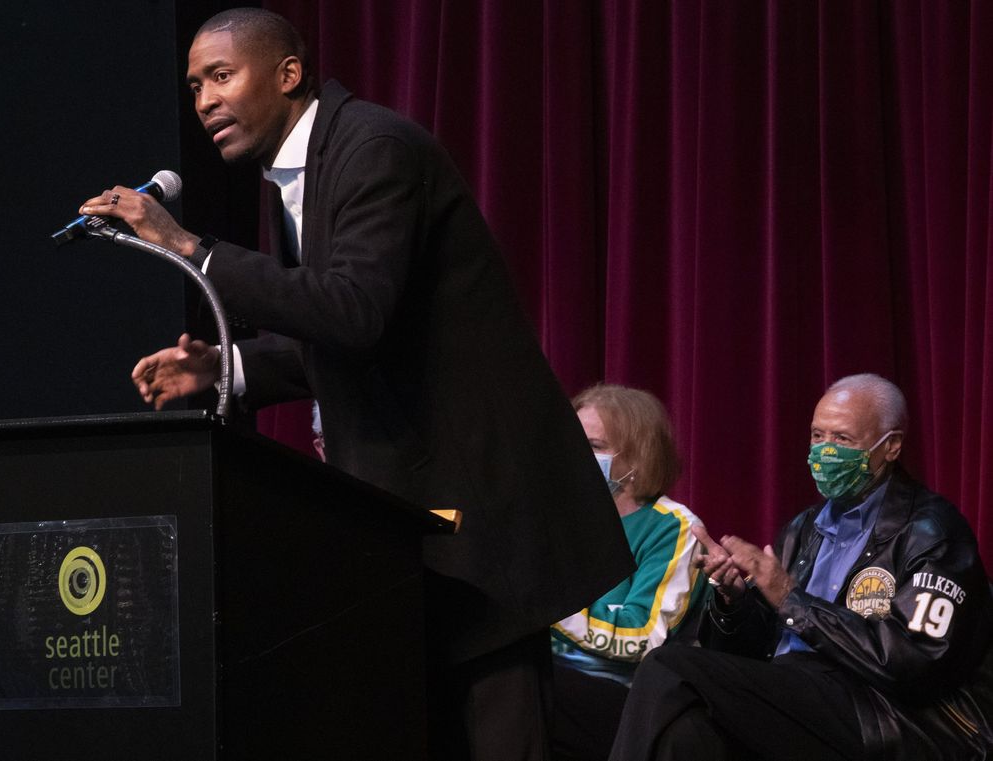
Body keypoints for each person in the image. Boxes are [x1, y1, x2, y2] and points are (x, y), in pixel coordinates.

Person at [77, 8, 634, 759]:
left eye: (220, 75)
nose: (204, 100)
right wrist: (228, 367)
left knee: (503, 731)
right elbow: (345, 333)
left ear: (288, 73)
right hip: (416, 509)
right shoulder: (303, 170)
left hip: (482, 507)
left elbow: (355, 311)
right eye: (194, 86)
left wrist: (187, 246)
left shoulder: (374, 147)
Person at [608, 373, 993, 760]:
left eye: (842, 439)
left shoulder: (931, 532)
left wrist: (790, 598)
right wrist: (734, 603)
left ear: (890, 446)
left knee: (667, 665)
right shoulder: (805, 528)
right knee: (687, 731)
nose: (826, 451)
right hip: (799, 692)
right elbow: (750, 653)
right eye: (818, 436)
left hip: (881, 712)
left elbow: (917, 663)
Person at [550, 384, 707, 761]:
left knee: (518, 689)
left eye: (594, 445)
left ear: (638, 458)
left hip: (629, 699)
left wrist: (548, 609)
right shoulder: (558, 516)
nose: (577, 455)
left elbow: (642, 636)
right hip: (554, 675)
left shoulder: (673, 527)